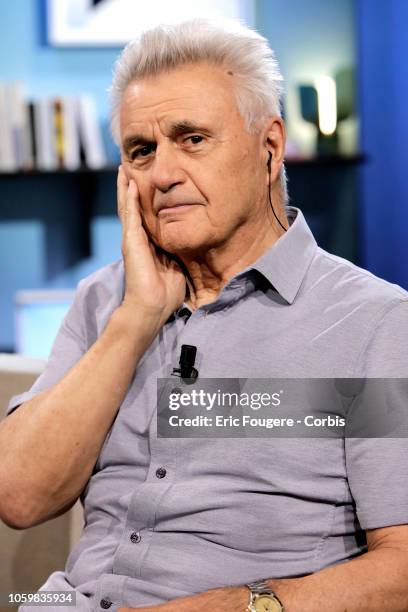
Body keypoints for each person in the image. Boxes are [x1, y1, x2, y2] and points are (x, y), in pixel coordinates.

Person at [1, 17, 408, 612]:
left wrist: (241, 605)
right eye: (142, 151)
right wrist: (136, 318)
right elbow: (18, 495)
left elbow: (402, 566)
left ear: (269, 148)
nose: (163, 174)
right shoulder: (103, 301)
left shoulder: (374, 323)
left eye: (192, 139)